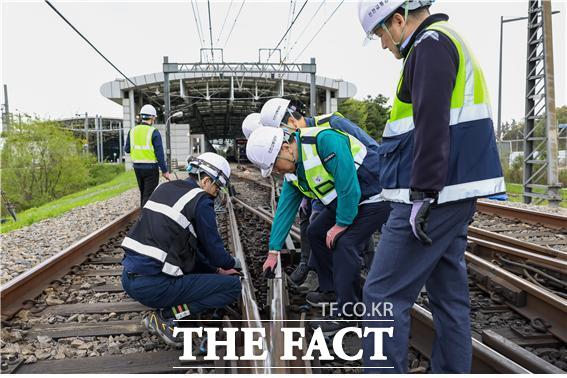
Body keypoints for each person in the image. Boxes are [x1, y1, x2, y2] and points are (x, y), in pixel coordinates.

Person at [357, 0, 505, 372]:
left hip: (429, 198)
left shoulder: (429, 46)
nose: (383, 44)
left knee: (382, 294)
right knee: (448, 298)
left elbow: (432, 125)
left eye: (380, 34)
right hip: (452, 195)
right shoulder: (444, 42)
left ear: (398, 19)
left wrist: (422, 195)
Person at [246, 125, 390, 336]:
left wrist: (341, 224)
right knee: (315, 232)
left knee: (345, 243)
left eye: (275, 166)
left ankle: (348, 315)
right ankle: (332, 289)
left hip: (375, 197)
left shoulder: (324, 140)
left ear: (285, 148)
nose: (277, 171)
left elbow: (347, 181)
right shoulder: (293, 173)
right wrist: (273, 251)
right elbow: (285, 211)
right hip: (349, 201)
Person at [260, 98, 389, 287]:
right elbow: (287, 204)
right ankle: (330, 282)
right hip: (330, 194)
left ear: (290, 123)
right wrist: (274, 249)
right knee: (316, 229)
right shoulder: (297, 148)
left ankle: (366, 279)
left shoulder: (332, 125)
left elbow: (371, 153)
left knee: (347, 237)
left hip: (364, 191)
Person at [121, 152, 242, 348]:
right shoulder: (201, 200)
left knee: (203, 272)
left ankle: (166, 307)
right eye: (217, 188)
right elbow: (214, 250)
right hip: (153, 286)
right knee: (232, 287)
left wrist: (214, 270)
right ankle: (165, 316)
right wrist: (231, 263)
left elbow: (192, 249)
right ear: (205, 181)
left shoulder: (165, 188)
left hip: (128, 279)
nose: (216, 194)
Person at [124, 104, 171, 207]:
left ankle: (143, 216)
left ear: (142, 116)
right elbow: (159, 154)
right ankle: (144, 219)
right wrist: (165, 171)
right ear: (152, 117)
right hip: (151, 169)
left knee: (143, 193)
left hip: (137, 168)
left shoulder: (132, 131)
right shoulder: (154, 132)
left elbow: (127, 150)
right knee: (149, 196)